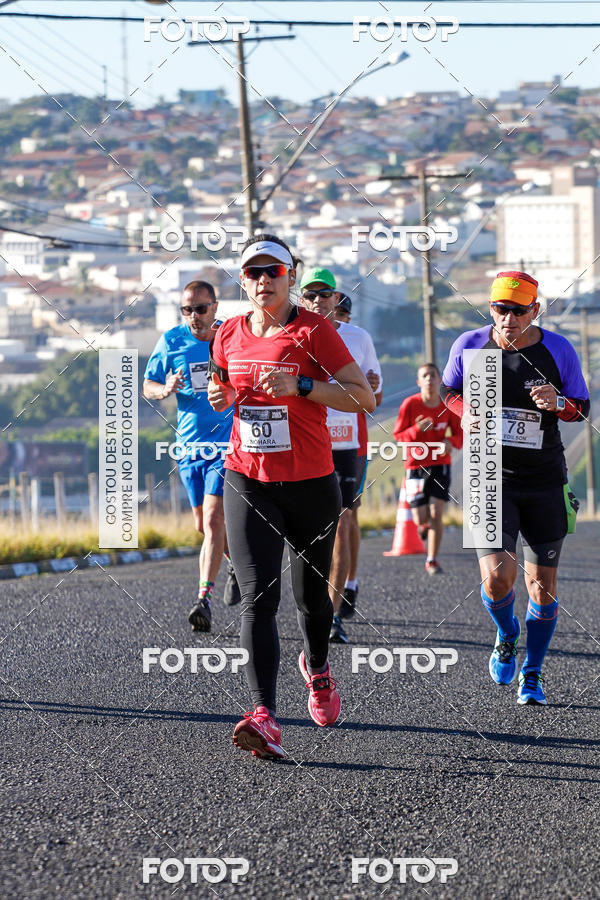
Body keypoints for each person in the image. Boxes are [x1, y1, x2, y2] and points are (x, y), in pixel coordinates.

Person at [208, 235, 375, 758]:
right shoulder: (228, 333)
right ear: (244, 279)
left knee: (310, 602)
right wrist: (223, 396)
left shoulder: (313, 329)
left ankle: (318, 669)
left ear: (290, 275)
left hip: (309, 481)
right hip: (248, 476)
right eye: (253, 273)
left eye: (272, 272)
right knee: (259, 596)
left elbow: (362, 396)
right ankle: (264, 715)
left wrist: (302, 388)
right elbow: (224, 387)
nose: (263, 281)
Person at [440, 271, 589, 705]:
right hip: (489, 473)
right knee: (498, 580)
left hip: (544, 476)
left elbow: (581, 409)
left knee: (541, 587)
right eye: (500, 309)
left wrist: (559, 404)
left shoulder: (557, 349)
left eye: (517, 310)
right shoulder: (470, 345)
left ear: (534, 310)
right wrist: (463, 410)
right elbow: (449, 389)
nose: (507, 318)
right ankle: (506, 633)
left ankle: (533, 673)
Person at [143, 280, 240, 634]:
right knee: (203, 526)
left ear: (214, 307)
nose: (194, 316)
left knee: (214, 520)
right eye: (187, 309)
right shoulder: (171, 341)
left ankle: (204, 600)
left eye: (201, 308)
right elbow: (147, 384)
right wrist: (165, 389)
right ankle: (234, 564)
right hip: (188, 447)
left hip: (226, 446)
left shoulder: (228, 337)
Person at [299, 270, 382, 641]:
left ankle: (333, 611)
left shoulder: (359, 338)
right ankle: (314, 598)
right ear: (302, 298)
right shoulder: (292, 334)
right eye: (311, 295)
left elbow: (373, 399)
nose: (318, 301)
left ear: (336, 299)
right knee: (309, 527)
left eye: (325, 294)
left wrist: (374, 392)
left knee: (345, 520)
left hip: (349, 442)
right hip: (306, 438)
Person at [393, 363, 463, 574]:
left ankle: (432, 560)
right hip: (415, 466)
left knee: (436, 512)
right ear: (418, 382)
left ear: (440, 379)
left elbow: (460, 434)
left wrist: (451, 443)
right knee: (420, 518)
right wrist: (416, 429)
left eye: (433, 376)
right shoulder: (410, 404)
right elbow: (398, 436)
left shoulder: (447, 405)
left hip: (440, 465)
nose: (430, 380)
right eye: (425, 376)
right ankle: (424, 527)